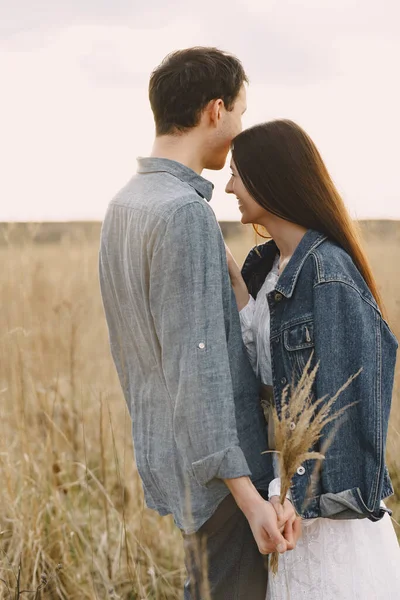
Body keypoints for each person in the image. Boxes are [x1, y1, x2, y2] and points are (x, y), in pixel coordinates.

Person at [99, 49, 300, 600]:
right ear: (215, 111)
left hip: (175, 461)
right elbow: (197, 369)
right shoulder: (183, 213)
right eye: (238, 111)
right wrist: (248, 496)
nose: (239, 127)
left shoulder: (125, 203)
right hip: (221, 478)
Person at [225, 119, 400, 600]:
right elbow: (266, 371)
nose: (228, 185)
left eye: (238, 173)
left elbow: (347, 405)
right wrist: (237, 286)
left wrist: (295, 498)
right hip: (287, 502)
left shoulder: (328, 273)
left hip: (322, 510)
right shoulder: (270, 267)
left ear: (268, 177)